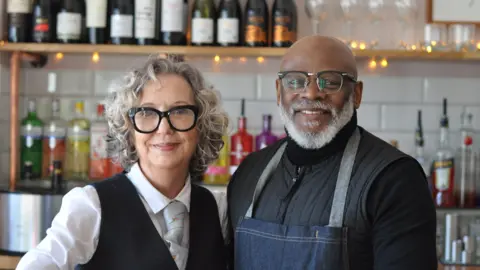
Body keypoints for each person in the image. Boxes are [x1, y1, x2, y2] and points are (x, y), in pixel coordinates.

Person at [227, 35, 438, 270]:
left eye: (329, 81)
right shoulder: (249, 172)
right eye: (295, 81)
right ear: (279, 91)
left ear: (356, 94)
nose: (311, 94)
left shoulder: (394, 179)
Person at [17, 57, 230, 270]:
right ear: (128, 130)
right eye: (146, 112)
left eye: (180, 111)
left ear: (201, 125)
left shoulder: (219, 210)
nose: (164, 128)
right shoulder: (92, 206)